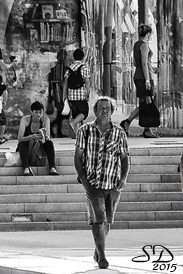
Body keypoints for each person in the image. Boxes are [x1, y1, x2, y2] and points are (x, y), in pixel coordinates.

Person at [74, 97, 129, 270]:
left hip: (112, 183)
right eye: (101, 108)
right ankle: (103, 258)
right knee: (98, 218)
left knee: (107, 221)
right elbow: (77, 157)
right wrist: (83, 178)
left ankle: (98, 249)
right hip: (92, 182)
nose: (104, 111)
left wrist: (123, 178)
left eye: (107, 108)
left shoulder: (119, 133)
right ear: (95, 111)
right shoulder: (84, 131)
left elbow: (125, 158)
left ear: (112, 111)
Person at [121, 24, 159, 138]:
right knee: (148, 102)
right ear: (148, 33)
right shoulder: (144, 45)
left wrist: (151, 68)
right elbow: (143, 62)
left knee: (145, 103)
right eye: (150, 33)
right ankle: (146, 129)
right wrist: (148, 79)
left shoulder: (136, 44)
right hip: (143, 77)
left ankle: (128, 123)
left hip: (139, 75)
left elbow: (137, 63)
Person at [15, 101, 58, 176]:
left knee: (49, 143)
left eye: (40, 112)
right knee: (22, 144)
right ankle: (26, 167)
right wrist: (31, 137)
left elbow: (48, 138)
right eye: (36, 112)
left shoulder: (45, 119)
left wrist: (43, 136)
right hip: (27, 147)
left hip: (39, 147)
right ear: (31, 112)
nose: (38, 114)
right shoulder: (25, 120)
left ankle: (52, 167)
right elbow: (20, 138)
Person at [65, 49, 90, 133]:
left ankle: (75, 134)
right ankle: (73, 124)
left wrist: (64, 95)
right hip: (80, 95)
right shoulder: (84, 67)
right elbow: (86, 81)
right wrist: (88, 92)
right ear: (82, 57)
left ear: (74, 57)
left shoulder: (70, 68)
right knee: (84, 112)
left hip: (71, 95)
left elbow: (65, 83)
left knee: (75, 114)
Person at [47, 50, 69, 138]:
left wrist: (50, 97)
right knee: (63, 114)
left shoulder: (53, 70)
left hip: (57, 95)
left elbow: (50, 85)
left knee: (62, 113)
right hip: (63, 94)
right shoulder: (66, 69)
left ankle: (56, 129)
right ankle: (54, 127)